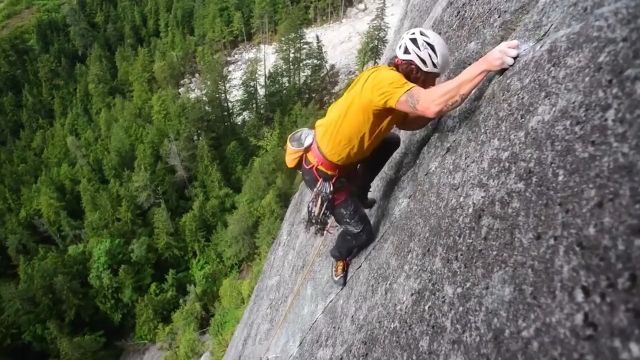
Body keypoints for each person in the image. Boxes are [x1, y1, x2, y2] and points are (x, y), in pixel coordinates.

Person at [299, 28, 520, 285]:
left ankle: (357, 191)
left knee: (390, 141)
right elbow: (429, 104)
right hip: (325, 174)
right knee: (361, 232)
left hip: (340, 161)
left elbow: (414, 121)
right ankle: (339, 254)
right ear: (414, 70)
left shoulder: (386, 79)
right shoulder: (386, 84)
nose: (432, 84)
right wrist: (485, 63)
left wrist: (478, 77)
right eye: (430, 78)